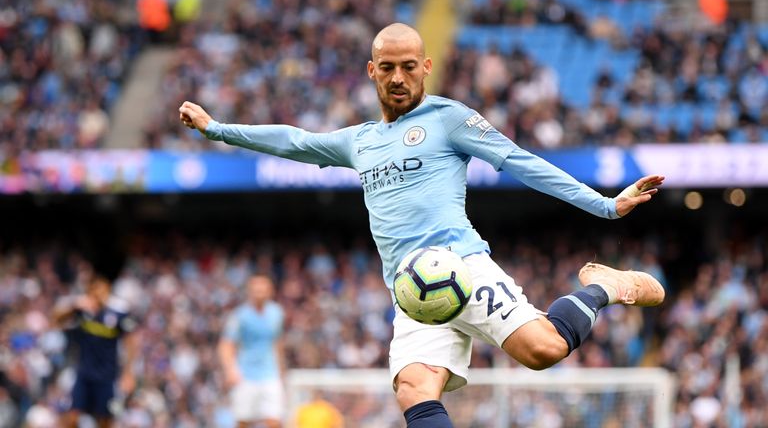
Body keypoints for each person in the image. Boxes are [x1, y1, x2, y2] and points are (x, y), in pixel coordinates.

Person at [180, 23, 666, 428]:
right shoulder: (360, 141)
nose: (398, 77)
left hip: (462, 269)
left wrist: (605, 205)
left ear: (425, 68)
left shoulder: (449, 118)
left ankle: (603, 286)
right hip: (411, 293)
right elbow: (295, 141)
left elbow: (521, 162)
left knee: (544, 350)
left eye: (408, 67)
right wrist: (217, 128)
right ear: (372, 71)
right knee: (414, 388)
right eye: (387, 67)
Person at [52, 275, 139, 428]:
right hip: (84, 374)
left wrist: (128, 372)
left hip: (107, 376)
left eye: (101, 290)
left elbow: (130, 342)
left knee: (105, 421)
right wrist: (74, 306)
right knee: (71, 417)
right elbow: (56, 319)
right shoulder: (83, 310)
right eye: (93, 290)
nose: (97, 295)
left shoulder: (118, 312)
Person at [218, 274, 286, 428]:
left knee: (275, 420)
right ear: (250, 291)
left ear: (270, 291)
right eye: (256, 290)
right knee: (243, 421)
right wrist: (231, 370)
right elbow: (226, 344)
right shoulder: (240, 315)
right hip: (246, 375)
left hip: (270, 374)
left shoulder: (277, 313)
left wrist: (282, 371)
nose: (259, 293)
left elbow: (277, 343)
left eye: (263, 289)